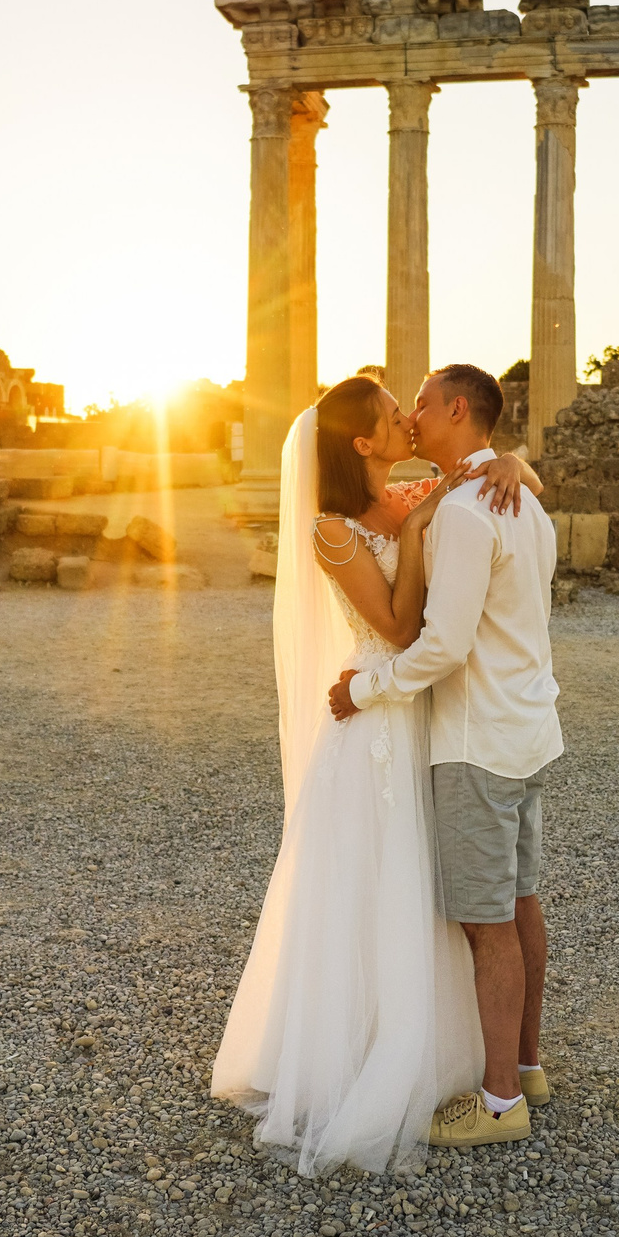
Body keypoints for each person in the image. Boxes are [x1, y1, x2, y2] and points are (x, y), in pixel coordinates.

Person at [211, 374, 544, 1174]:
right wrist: (426, 520)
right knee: (372, 881)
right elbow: (396, 626)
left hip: (424, 709)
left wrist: (516, 462)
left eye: (413, 408)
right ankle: (361, 1049)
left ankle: (470, 1058)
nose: (407, 419)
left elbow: (504, 470)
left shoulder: (424, 493)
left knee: (438, 886)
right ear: (363, 444)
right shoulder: (334, 528)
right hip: (375, 720)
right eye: (395, 415)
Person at [328, 363, 561, 1149]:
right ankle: (526, 1065)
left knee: (486, 922)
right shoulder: (522, 498)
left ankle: (499, 1104)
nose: (414, 417)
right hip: (528, 731)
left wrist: (365, 690)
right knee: (522, 902)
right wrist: (510, 459)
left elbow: (443, 645)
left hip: (475, 744)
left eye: (421, 404)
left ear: (456, 409)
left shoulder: (468, 510)